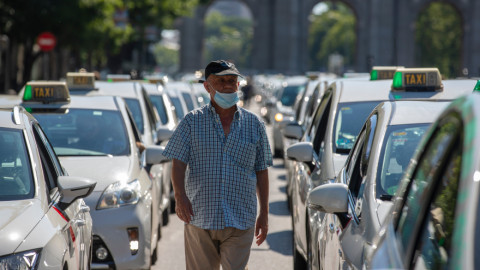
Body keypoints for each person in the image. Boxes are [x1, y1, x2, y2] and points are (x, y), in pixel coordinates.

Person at [163, 60, 272, 270]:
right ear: (207, 86)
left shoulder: (254, 124)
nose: (227, 86)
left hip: (240, 219)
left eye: (232, 80)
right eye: (220, 81)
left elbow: (262, 170)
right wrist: (179, 196)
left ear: (238, 85)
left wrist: (264, 214)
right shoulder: (191, 122)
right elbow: (178, 163)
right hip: (200, 217)